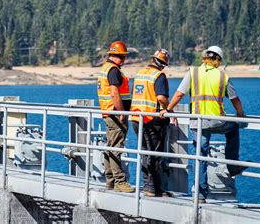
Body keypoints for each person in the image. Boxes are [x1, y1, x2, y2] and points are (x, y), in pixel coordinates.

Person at [160, 46, 246, 203]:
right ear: (218, 60)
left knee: (200, 156)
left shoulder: (193, 73)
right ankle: (233, 166)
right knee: (233, 128)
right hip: (218, 120)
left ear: (204, 58)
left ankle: (200, 195)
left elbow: (179, 94)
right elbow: (235, 99)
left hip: (198, 122)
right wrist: (240, 115)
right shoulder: (222, 76)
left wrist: (168, 109)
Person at [131, 49, 173, 197]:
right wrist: (170, 109)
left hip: (137, 118)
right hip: (152, 119)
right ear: (162, 64)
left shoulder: (140, 74)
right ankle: (154, 188)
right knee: (154, 154)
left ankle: (148, 186)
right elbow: (161, 98)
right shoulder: (158, 75)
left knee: (144, 152)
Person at [97, 41, 134, 193]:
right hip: (115, 114)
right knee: (116, 147)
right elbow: (114, 93)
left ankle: (110, 180)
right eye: (122, 57)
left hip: (109, 112)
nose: (124, 61)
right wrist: (122, 113)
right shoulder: (113, 70)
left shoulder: (106, 68)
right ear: (117, 56)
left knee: (111, 146)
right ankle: (119, 181)